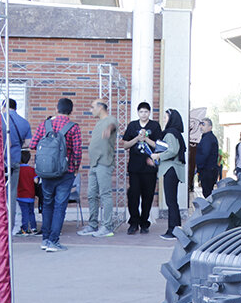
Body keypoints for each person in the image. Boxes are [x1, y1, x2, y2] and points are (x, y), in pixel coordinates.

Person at [28, 97, 81, 253]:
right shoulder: (73, 127)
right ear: (71, 111)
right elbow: (77, 152)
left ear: (56, 109)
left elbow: (32, 145)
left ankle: (45, 239)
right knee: (60, 206)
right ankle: (53, 241)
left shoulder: (46, 124)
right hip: (66, 173)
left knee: (47, 205)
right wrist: (75, 168)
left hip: (46, 173)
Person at [118, 101, 162, 234]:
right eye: (141, 112)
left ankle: (144, 223)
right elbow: (125, 145)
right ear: (138, 113)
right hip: (135, 167)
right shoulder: (132, 125)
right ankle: (133, 222)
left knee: (148, 196)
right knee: (133, 195)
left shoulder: (155, 126)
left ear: (149, 113)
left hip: (149, 168)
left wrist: (146, 139)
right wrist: (137, 138)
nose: (144, 114)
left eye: (146, 112)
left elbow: (158, 145)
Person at [81, 100, 119, 237]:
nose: (91, 110)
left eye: (92, 107)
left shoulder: (110, 119)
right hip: (94, 164)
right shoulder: (97, 123)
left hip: (104, 163)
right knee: (91, 195)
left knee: (105, 194)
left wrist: (109, 129)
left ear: (100, 107)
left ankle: (107, 226)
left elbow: (113, 125)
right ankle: (92, 225)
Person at [154, 109, 186, 240]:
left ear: (172, 119)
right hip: (174, 170)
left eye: (165, 117)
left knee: (171, 201)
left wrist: (158, 155)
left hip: (171, 170)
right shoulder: (175, 133)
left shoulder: (171, 133)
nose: (163, 119)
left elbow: (173, 150)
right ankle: (176, 229)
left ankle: (173, 230)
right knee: (172, 201)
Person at [2, 98, 31, 234]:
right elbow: (28, 143)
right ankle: (10, 227)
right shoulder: (24, 122)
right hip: (14, 161)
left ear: (3, 106)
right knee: (11, 194)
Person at [195, 117, 220, 197]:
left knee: (207, 194)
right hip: (209, 170)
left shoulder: (208, 138)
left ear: (210, 127)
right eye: (200, 124)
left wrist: (198, 167)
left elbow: (204, 154)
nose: (201, 126)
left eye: (203, 124)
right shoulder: (207, 137)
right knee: (208, 193)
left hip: (207, 171)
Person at [15, 149, 37, 235]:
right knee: (31, 212)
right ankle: (33, 227)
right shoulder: (32, 170)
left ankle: (24, 228)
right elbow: (36, 181)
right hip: (31, 195)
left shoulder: (18, 170)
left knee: (24, 212)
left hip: (21, 195)